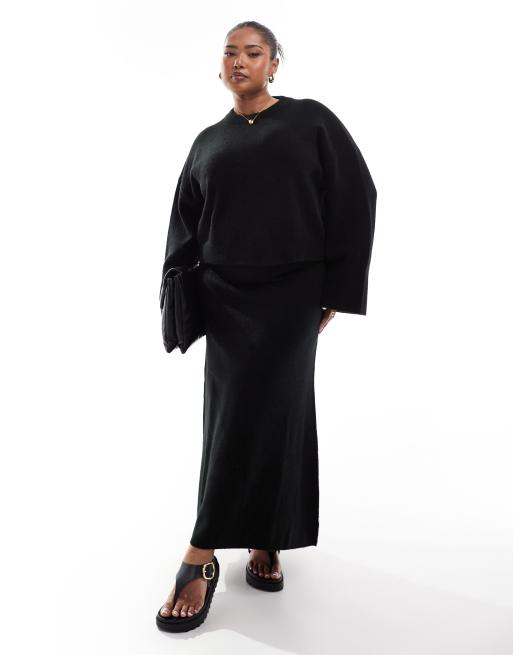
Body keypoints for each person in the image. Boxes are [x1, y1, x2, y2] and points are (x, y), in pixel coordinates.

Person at [156, 21, 377, 632]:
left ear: (274, 63)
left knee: (279, 413)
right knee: (228, 417)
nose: (239, 61)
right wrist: (182, 296)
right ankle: (238, 540)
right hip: (226, 300)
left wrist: (335, 290)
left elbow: (357, 195)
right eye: (230, 52)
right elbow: (184, 224)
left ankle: (222, 546)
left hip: (291, 299)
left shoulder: (310, 121)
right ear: (219, 65)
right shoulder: (208, 141)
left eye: (253, 52)